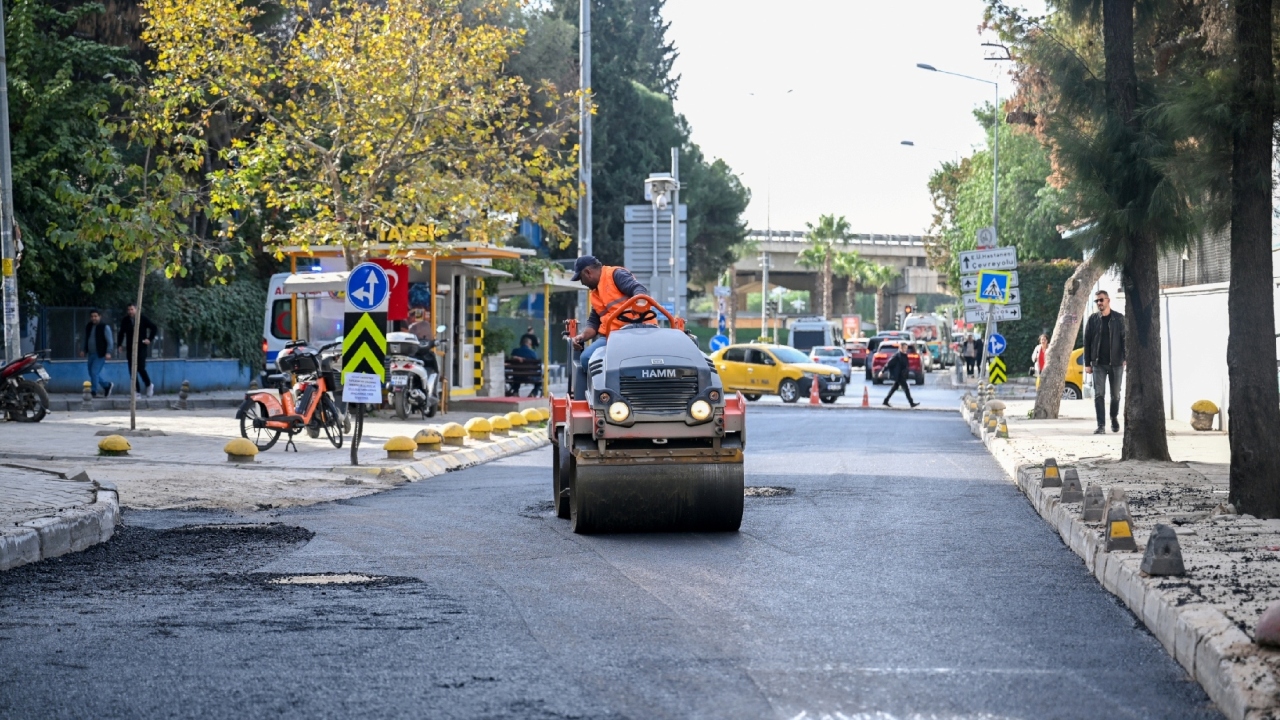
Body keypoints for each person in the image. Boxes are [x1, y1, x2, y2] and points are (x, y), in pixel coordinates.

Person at [569, 255, 651, 399]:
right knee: (586, 358)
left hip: (638, 331)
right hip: (612, 337)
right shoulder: (595, 294)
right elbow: (594, 322)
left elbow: (638, 288)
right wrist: (582, 336)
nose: (582, 283)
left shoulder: (615, 275)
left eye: (581, 278)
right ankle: (606, 396)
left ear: (588, 272)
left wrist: (639, 302)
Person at [1083, 290, 1126, 435]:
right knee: (1099, 394)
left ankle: (1114, 417)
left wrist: (1126, 357)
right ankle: (1101, 425)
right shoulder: (1093, 319)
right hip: (1098, 363)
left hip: (1116, 362)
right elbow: (1087, 342)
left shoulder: (1119, 319)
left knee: (1115, 395)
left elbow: (1125, 339)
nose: (1099, 303)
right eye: (1097, 301)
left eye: (1101, 300)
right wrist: (1087, 363)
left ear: (1108, 300)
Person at [118, 303, 158, 397]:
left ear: (136, 310)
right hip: (130, 347)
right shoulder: (126, 320)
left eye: (132, 309)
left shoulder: (142, 318)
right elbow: (121, 332)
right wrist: (119, 344)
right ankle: (136, 391)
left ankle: (148, 384)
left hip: (141, 346)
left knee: (140, 367)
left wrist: (149, 339)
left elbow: (154, 327)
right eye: (128, 310)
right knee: (132, 370)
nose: (130, 312)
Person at [80, 309, 114, 397]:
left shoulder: (104, 327)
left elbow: (110, 341)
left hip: (100, 354)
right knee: (91, 372)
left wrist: (108, 352)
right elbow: (85, 338)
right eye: (92, 316)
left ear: (99, 316)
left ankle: (94, 391)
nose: (93, 318)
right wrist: (83, 349)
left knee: (94, 372)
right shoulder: (89, 326)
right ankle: (107, 386)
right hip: (91, 354)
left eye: (95, 316)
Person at [881, 344, 919, 408]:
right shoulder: (897, 356)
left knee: (894, 388)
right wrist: (882, 371)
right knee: (906, 388)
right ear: (900, 348)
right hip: (898, 375)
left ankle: (885, 401)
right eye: (904, 348)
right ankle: (911, 403)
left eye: (906, 348)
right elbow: (889, 364)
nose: (905, 349)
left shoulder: (904, 355)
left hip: (902, 375)